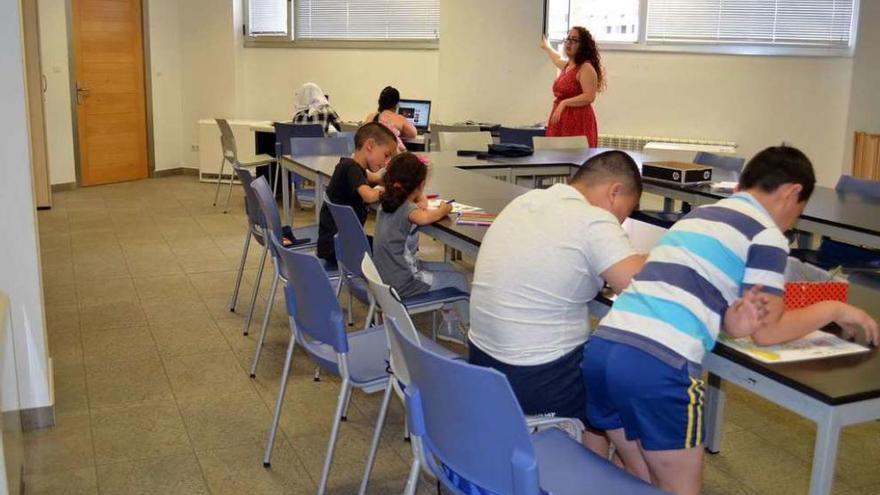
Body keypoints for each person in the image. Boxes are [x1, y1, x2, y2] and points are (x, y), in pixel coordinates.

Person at [582, 146, 880, 495]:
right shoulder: (766, 234)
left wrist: (731, 321)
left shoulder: (700, 215)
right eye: (798, 212)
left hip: (604, 350)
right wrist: (834, 308)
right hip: (659, 368)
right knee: (679, 488)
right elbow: (769, 332)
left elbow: (693, 291)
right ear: (792, 193)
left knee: (635, 474)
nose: (793, 222)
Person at [467, 150, 646, 451]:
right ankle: (591, 471)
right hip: (535, 376)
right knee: (619, 378)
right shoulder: (594, 220)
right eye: (623, 214)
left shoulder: (525, 200)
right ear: (615, 192)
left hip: (483, 365)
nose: (619, 223)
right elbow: (639, 285)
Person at [373, 152, 470, 339]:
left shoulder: (386, 203)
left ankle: (448, 327)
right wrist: (444, 209)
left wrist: (418, 195)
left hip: (386, 276)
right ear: (420, 185)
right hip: (405, 282)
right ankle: (469, 332)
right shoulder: (408, 210)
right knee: (459, 280)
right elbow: (425, 216)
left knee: (449, 267)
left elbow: (420, 207)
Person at [316, 123, 397, 268]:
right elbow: (369, 196)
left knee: (385, 246)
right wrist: (392, 190)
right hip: (339, 247)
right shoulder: (351, 168)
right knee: (390, 250)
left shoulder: (350, 166)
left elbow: (375, 179)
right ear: (370, 145)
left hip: (334, 243)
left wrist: (394, 180)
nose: (385, 163)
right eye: (386, 155)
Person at [540, 27, 604, 148]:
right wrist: (547, 47)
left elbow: (589, 96)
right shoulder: (568, 65)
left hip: (578, 120)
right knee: (555, 157)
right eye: (568, 39)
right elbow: (557, 58)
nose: (569, 43)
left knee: (574, 157)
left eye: (574, 40)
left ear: (583, 45)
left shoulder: (586, 68)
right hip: (561, 119)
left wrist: (564, 103)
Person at [364, 86, 416, 152]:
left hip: (372, 155)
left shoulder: (371, 117)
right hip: (391, 157)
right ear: (396, 104)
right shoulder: (399, 119)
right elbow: (413, 134)